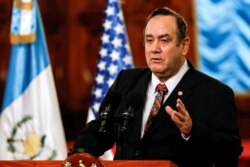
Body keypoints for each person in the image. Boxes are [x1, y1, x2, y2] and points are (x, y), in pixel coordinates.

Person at [69, 7, 243, 166]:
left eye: (164, 40)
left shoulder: (214, 93)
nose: (154, 49)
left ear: (184, 45)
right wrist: (78, 155)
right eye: (149, 40)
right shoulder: (127, 81)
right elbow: (101, 130)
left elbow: (230, 151)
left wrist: (192, 131)